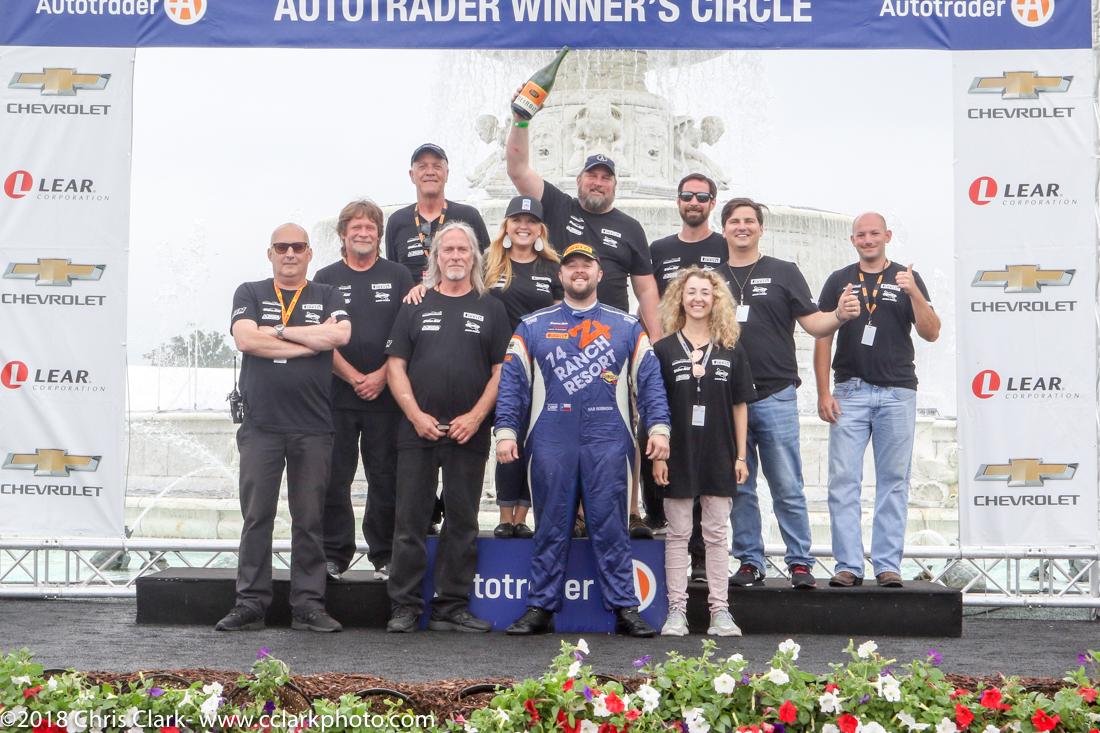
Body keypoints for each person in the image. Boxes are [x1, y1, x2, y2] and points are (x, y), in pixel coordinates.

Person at [495, 243, 671, 638]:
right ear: (560, 275)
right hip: (550, 441)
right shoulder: (532, 325)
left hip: (608, 440)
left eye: (586, 266)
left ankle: (625, 608)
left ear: (599, 274)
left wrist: (660, 428)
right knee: (549, 527)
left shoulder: (627, 326)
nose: (579, 271)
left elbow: (650, 382)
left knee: (612, 528)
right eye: (571, 265)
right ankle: (541, 607)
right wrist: (505, 431)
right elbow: (512, 385)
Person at [507, 103, 662, 538]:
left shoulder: (630, 227)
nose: (598, 182)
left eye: (605, 177)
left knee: (624, 422)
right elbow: (517, 169)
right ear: (578, 181)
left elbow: (646, 290)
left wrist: (656, 342)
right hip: (561, 337)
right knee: (562, 424)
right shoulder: (558, 206)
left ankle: (630, 510)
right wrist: (521, 119)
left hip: (614, 339)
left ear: (615, 184)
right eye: (592, 175)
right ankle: (570, 513)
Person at [717, 198, 860, 590]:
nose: (742, 226)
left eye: (749, 221)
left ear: (761, 228)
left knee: (787, 485)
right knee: (739, 486)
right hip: (729, 399)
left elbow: (814, 324)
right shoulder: (712, 278)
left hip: (776, 394)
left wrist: (839, 315)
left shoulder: (784, 272)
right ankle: (750, 561)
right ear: (724, 228)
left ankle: (799, 562)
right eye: (734, 221)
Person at [216, 224, 351, 633]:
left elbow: (340, 334)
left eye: (297, 247)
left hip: (313, 426)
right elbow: (246, 340)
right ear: (270, 253)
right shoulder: (250, 292)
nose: (289, 253)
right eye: (281, 247)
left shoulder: (327, 293)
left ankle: (308, 605)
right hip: (261, 426)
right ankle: (250, 604)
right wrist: (309, 343)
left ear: (309, 253)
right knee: (257, 517)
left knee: (309, 519)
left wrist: (276, 331)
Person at [384, 222, 512, 633]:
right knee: (410, 522)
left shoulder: (491, 307)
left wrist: (475, 417)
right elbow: (395, 367)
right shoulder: (415, 304)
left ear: (474, 257)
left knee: (462, 522)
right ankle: (404, 606)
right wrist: (415, 415)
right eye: (448, 250)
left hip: (468, 433)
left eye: (463, 250)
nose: (456, 256)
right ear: (435, 257)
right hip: (416, 431)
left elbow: (501, 371)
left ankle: (451, 606)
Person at [813, 212, 940, 589]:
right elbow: (822, 336)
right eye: (861, 235)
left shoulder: (906, 277)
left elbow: (931, 332)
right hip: (850, 391)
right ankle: (848, 565)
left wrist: (914, 292)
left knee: (894, 481)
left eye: (874, 234)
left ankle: (887, 565)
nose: (867, 240)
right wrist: (823, 392)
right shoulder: (839, 280)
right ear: (852, 240)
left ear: (887, 236)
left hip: (897, 391)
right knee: (843, 481)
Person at [652, 267, 755, 637]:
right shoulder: (663, 350)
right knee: (678, 533)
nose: (698, 299)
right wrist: (659, 456)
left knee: (716, 533)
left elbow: (740, 405)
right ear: (680, 298)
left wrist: (740, 456)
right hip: (677, 452)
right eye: (691, 292)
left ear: (716, 300)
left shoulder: (731, 349)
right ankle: (676, 611)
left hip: (719, 451)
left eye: (705, 293)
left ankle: (720, 611)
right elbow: (655, 406)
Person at [314, 200, 414, 582]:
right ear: (343, 234)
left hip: (386, 397)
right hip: (337, 396)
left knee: (385, 479)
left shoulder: (399, 275)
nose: (363, 233)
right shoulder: (324, 278)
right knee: (334, 479)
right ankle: (334, 555)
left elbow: (408, 332)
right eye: (355, 227)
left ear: (379, 234)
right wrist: (354, 376)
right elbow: (321, 337)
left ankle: (384, 555)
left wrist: (381, 376)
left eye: (370, 227)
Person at [643, 172, 729, 564]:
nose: (694, 202)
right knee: (657, 437)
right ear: (678, 201)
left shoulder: (725, 246)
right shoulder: (659, 248)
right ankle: (657, 520)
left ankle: (700, 553)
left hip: (712, 360)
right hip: (669, 357)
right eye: (687, 196)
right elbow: (648, 299)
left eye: (701, 197)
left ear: (712, 203)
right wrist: (658, 343)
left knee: (704, 448)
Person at [484, 195, 562, 538]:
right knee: (506, 438)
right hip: (501, 366)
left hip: (541, 367)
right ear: (507, 226)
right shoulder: (489, 264)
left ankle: (523, 516)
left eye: (531, 221)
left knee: (535, 442)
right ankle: (505, 516)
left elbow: (563, 318)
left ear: (540, 228)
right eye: (517, 220)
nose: (524, 226)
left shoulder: (551, 267)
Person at [385, 143, 491, 284]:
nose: (430, 172)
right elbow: (392, 274)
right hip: (411, 298)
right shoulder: (397, 221)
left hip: (460, 297)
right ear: (412, 175)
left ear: (447, 174)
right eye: (422, 166)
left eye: (437, 166)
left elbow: (486, 268)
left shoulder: (469, 216)